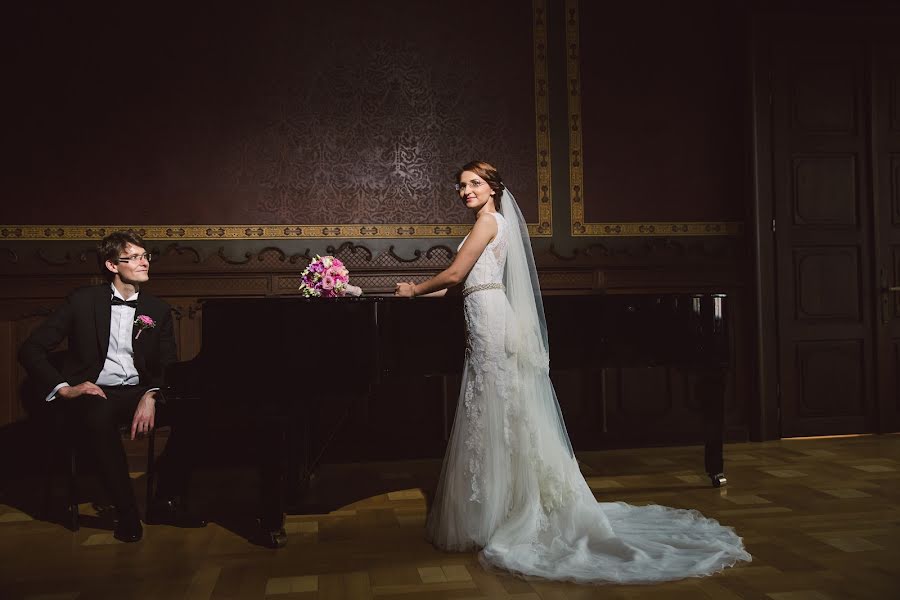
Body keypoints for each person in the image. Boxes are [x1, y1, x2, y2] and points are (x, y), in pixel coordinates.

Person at [395, 161, 751, 583]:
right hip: (484, 312)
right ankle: (504, 502)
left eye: (474, 184)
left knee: (496, 404)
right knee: (498, 406)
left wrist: (415, 288)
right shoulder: (492, 223)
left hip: (490, 321)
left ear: (493, 189)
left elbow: (455, 274)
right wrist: (414, 295)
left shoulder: (488, 222)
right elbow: (462, 284)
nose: (465, 191)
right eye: (461, 185)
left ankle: (506, 508)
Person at [19, 230, 206, 542]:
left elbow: (167, 365)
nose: (144, 262)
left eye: (145, 255)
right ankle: (127, 512)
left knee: (195, 412)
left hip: (138, 391)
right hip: (94, 392)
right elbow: (30, 349)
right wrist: (66, 388)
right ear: (111, 265)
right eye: (133, 257)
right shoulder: (81, 301)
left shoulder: (157, 310)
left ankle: (165, 501)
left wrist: (152, 393)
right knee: (98, 413)